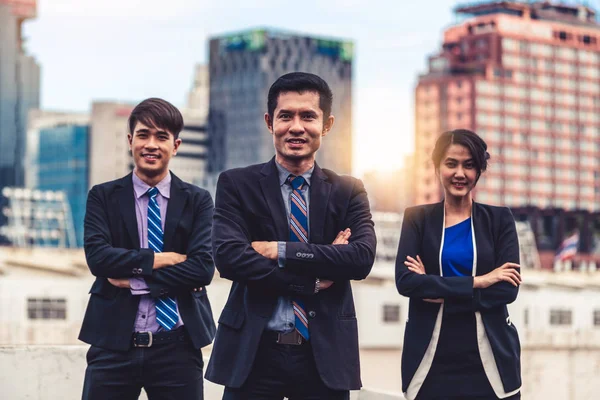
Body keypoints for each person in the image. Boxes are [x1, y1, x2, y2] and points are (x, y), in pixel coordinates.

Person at [205, 72, 377, 400]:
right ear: (270, 122)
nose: (296, 127)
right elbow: (229, 258)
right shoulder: (236, 184)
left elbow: (360, 259)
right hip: (254, 355)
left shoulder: (348, 191)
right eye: (286, 116)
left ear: (326, 125)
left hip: (324, 357)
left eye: (308, 116)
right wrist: (312, 277)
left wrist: (280, 250)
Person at [79, 98, 216, 400]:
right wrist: (160, 259)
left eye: (161, 137)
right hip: (113, 342)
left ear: (176, 145)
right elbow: (99, 260)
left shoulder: (198, 201)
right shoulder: (103, 196)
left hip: (178, 346)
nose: (151, 144)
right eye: (143, 135)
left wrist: (135, 279)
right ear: (130, 141)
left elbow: (202, 268)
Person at [395, 129, 522, 400]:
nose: (460, 173)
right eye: (451, 163)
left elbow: (506, 290)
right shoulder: (417, 219)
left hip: (491, 362)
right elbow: (406, 282)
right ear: (438, 166)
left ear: (479, 170)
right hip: (430, 361)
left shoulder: (499, 220)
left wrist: (435, 289)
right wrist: (478, 282)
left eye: (469, 165)